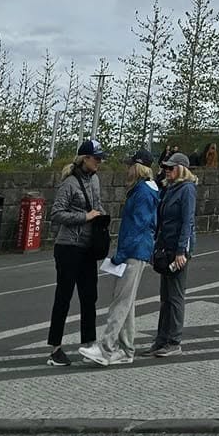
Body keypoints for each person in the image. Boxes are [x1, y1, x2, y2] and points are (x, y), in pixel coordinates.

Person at [87, 149, 159, 365]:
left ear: (137, 167)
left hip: (135, 250)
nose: (127, 169)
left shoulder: (142, 192)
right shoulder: (144, 191)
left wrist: (121, 253)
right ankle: (126, 349)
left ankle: (107, 347)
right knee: (126, 301)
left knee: (121, 301)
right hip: (137, 249)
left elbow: (137, 226)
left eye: (130, 165)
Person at [47, 139, 107, 367]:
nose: (99, 162)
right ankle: (55, 348)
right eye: (96, 158)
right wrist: (84, 217)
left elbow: (97, 204)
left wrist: (100, 215)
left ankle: (90, 343)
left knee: (89, 296)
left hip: (88, 246)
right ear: (85, 159)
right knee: (64, 296)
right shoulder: (69, 183)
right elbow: (56, 213)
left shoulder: (96, 181)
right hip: (68, 246)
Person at [151, 151, 197, 357]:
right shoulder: (170, 189)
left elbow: (187, 221)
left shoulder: (186, 189)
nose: (166, 171)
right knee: (165, 296)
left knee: (175, 296)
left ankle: (174, 340)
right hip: (166, 247)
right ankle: (161, 338)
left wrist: (182, 251)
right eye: (165, 168)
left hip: (178, 249)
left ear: (181, 169)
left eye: (171, 168)